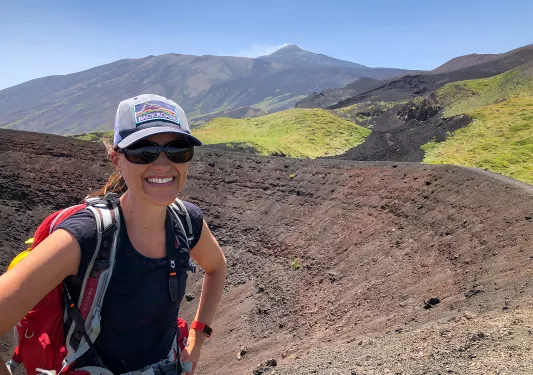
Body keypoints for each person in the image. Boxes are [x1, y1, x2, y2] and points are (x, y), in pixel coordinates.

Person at [0, 94, 227, 375]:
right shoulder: (85, 237)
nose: (163, 164)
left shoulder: (186, 220)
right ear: (117, 160)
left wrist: (197, 339)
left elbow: (217, 267)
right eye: (144, 151)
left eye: (178, 149)